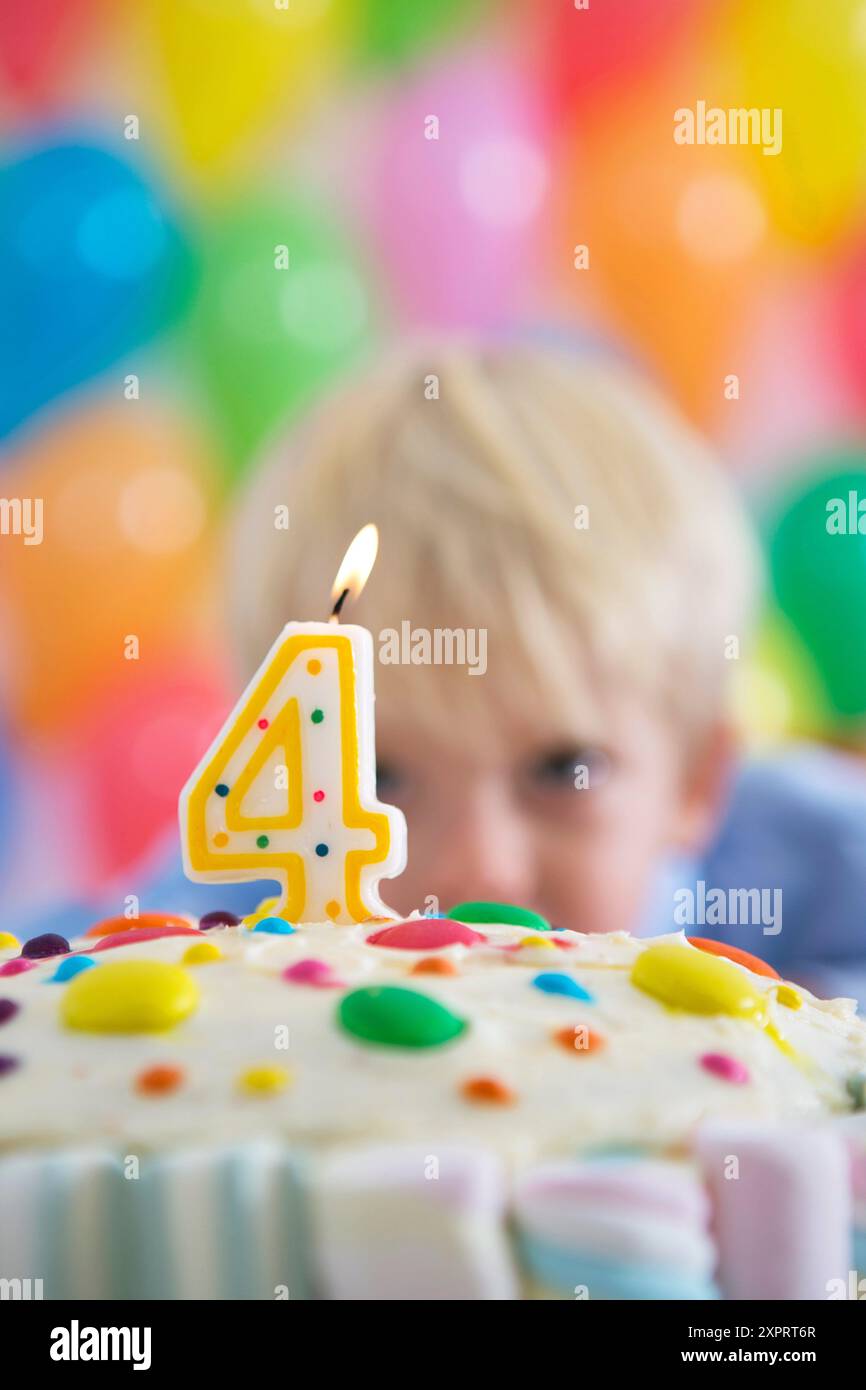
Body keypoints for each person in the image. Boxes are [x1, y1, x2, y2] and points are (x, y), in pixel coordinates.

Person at [24, 342, 866, 1005]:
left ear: (696, 781)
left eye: (563, 770)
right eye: (376, 777)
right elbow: (55, 969)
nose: (479, 870)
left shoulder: (817, 855)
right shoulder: (248, 896)